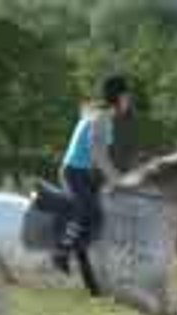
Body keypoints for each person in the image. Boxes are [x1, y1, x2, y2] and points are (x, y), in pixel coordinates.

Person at [53, 74, 133, 274]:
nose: (129, 100)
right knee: (89, 210)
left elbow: (99, 157)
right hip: (74, 173)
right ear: (118, 97)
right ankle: (61, 251)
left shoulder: (100, 114)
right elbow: (98, 154)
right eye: (126, 96)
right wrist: (118, 179)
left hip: (85, 173)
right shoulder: (102, 118)